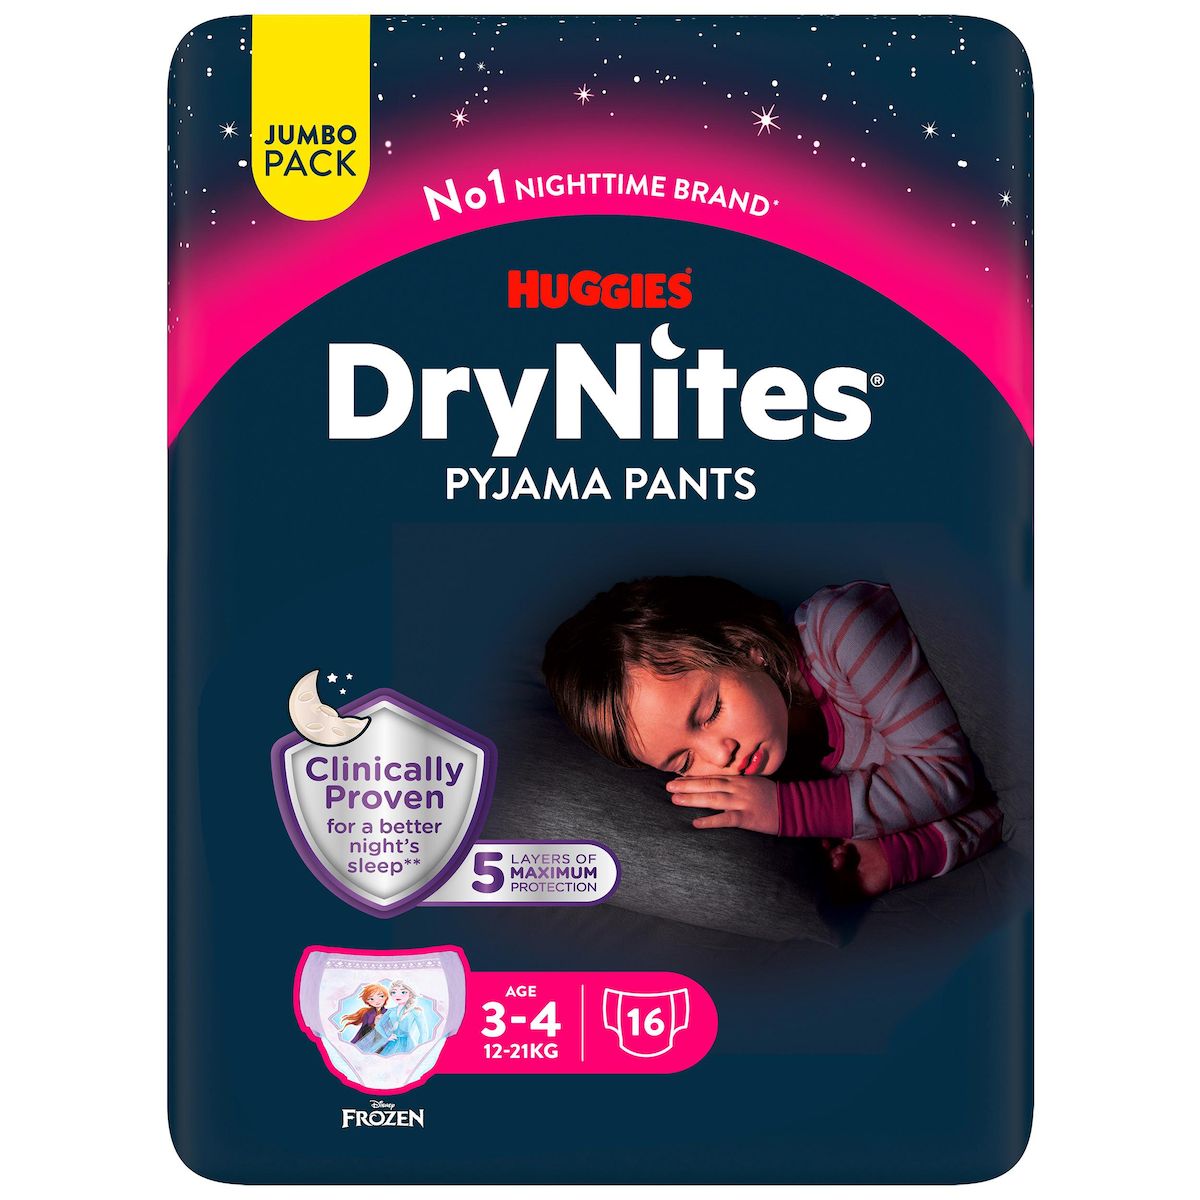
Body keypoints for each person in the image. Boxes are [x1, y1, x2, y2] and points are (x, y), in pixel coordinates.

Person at [542, 576, 1003, 899]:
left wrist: (787, 811)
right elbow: (1009, 807)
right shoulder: (791, 763)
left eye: (711, 711)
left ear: (747, 648)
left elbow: (947, 775)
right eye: (683, 762)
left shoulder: (839, 627)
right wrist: (900, 856)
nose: (720, 755)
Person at [374, 980, 435, 1056]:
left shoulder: (415, 1011)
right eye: (394, 992)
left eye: (403, 992)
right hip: (392, 1043)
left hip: (408, 1044)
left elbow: (424, 1032)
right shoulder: (390, 1011)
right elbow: (379, 1025)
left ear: (410, 994)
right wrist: (387, 1036)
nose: (397, 995)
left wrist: (420, 1049)